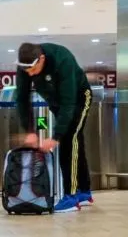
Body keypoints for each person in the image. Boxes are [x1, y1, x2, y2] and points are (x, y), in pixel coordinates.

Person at [15, 42, 93, 213]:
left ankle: (71, 197)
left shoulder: (62, 60)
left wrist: (55, 137)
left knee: (69, 140)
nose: (30, 74)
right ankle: (85, 192)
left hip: (79, 98)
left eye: (33, 69)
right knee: (74, 143)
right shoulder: (25, 67)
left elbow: (69, 103)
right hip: (57, 103)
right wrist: (29, 131)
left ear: (41, 58)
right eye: (26, 71)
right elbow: (22, 99)